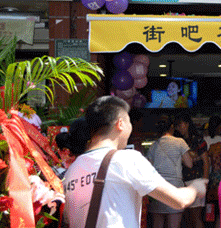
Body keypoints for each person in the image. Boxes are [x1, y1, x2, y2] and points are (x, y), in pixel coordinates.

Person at [62, 96, 207, 228]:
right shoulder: (127, 159)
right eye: (129, 121)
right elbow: (179, 200)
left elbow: (68, 219)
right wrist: (195, 188)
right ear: (120, 124)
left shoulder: (71, 170)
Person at [146, 117, 194, 228]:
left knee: (157, 225)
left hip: (158, 188)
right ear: (171, 127)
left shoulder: (154, 145)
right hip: (175, 188)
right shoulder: (180, 142)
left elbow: (149, 168)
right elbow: (189, 164)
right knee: (174, 225)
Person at [174, 113, 210, 228]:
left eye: (181, 125)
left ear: (187, 124)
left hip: (197, 180)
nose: (179, 128)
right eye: (177, 126)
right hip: (184, 181)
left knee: (195, 216)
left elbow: (206, 161)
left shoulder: (198, 139)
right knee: (188, 217)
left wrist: (205, 181)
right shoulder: (179, 140)